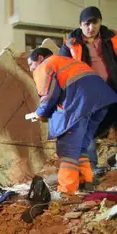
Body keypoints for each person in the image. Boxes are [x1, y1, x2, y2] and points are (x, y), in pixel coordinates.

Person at [28, 48, 117, 193]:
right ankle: (85, 182)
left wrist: (39, 113)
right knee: (80, 147)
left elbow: (48, 96)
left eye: (30, 64)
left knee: (68, 150)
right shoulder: (69, 61)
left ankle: (66, 191)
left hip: (79, 105)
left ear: (39, 58)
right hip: (102, 104)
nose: (31, 69)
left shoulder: (46, 65)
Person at [60, 6, 117, 166]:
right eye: (87, 24)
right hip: (87, 96)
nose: (91, 28)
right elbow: (61, 72)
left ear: (100, 22)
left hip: (112, 89)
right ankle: (91, 167)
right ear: (80, 25)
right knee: (86, 129)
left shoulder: (111, 38)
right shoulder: (70, 45)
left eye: (95, 23)